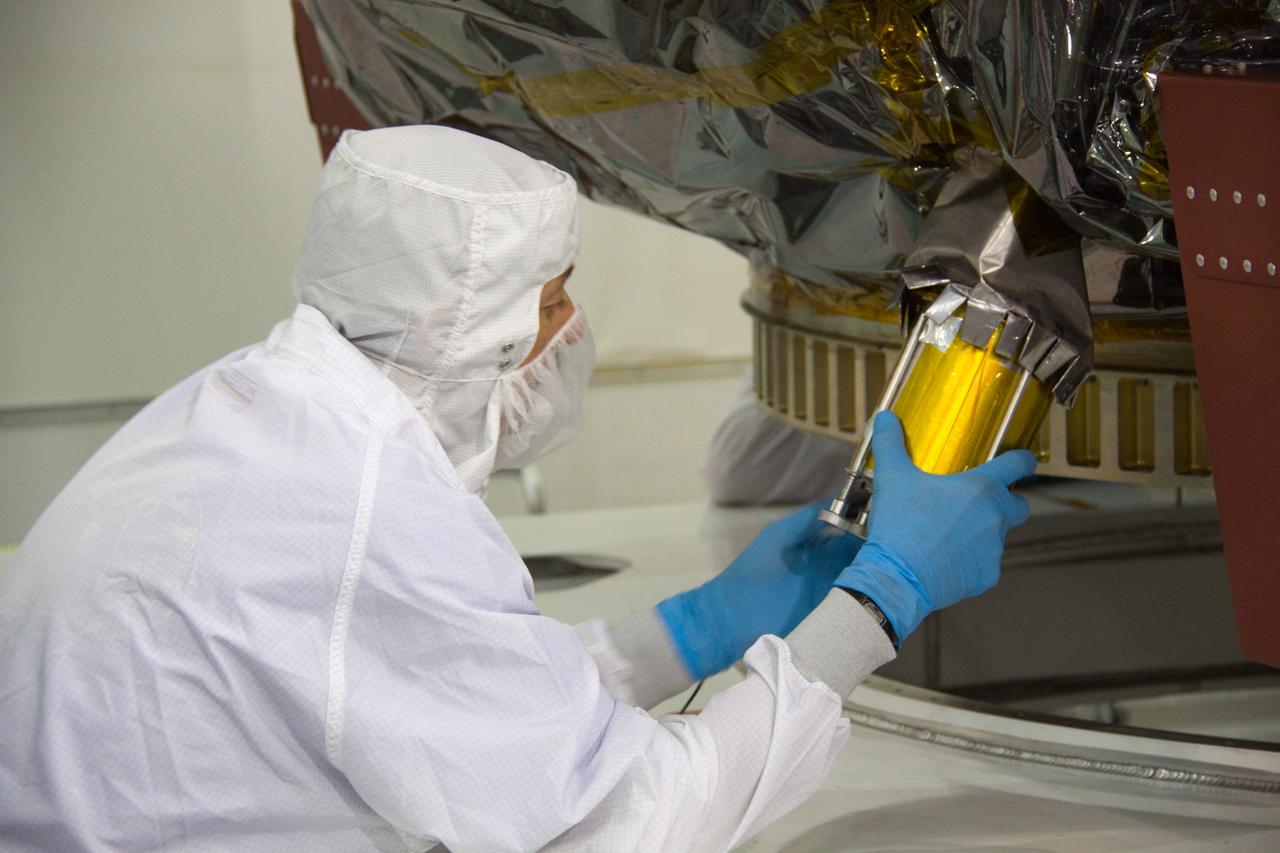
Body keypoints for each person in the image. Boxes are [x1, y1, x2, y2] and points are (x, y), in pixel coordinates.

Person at [0, 126, 1036, 852]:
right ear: (468, 332)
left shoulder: (259, 414)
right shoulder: (369, 510)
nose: (574, 332)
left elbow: (452, 694)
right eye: (550, 303)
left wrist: (693, 630)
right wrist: (881, 597)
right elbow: (626, 824)